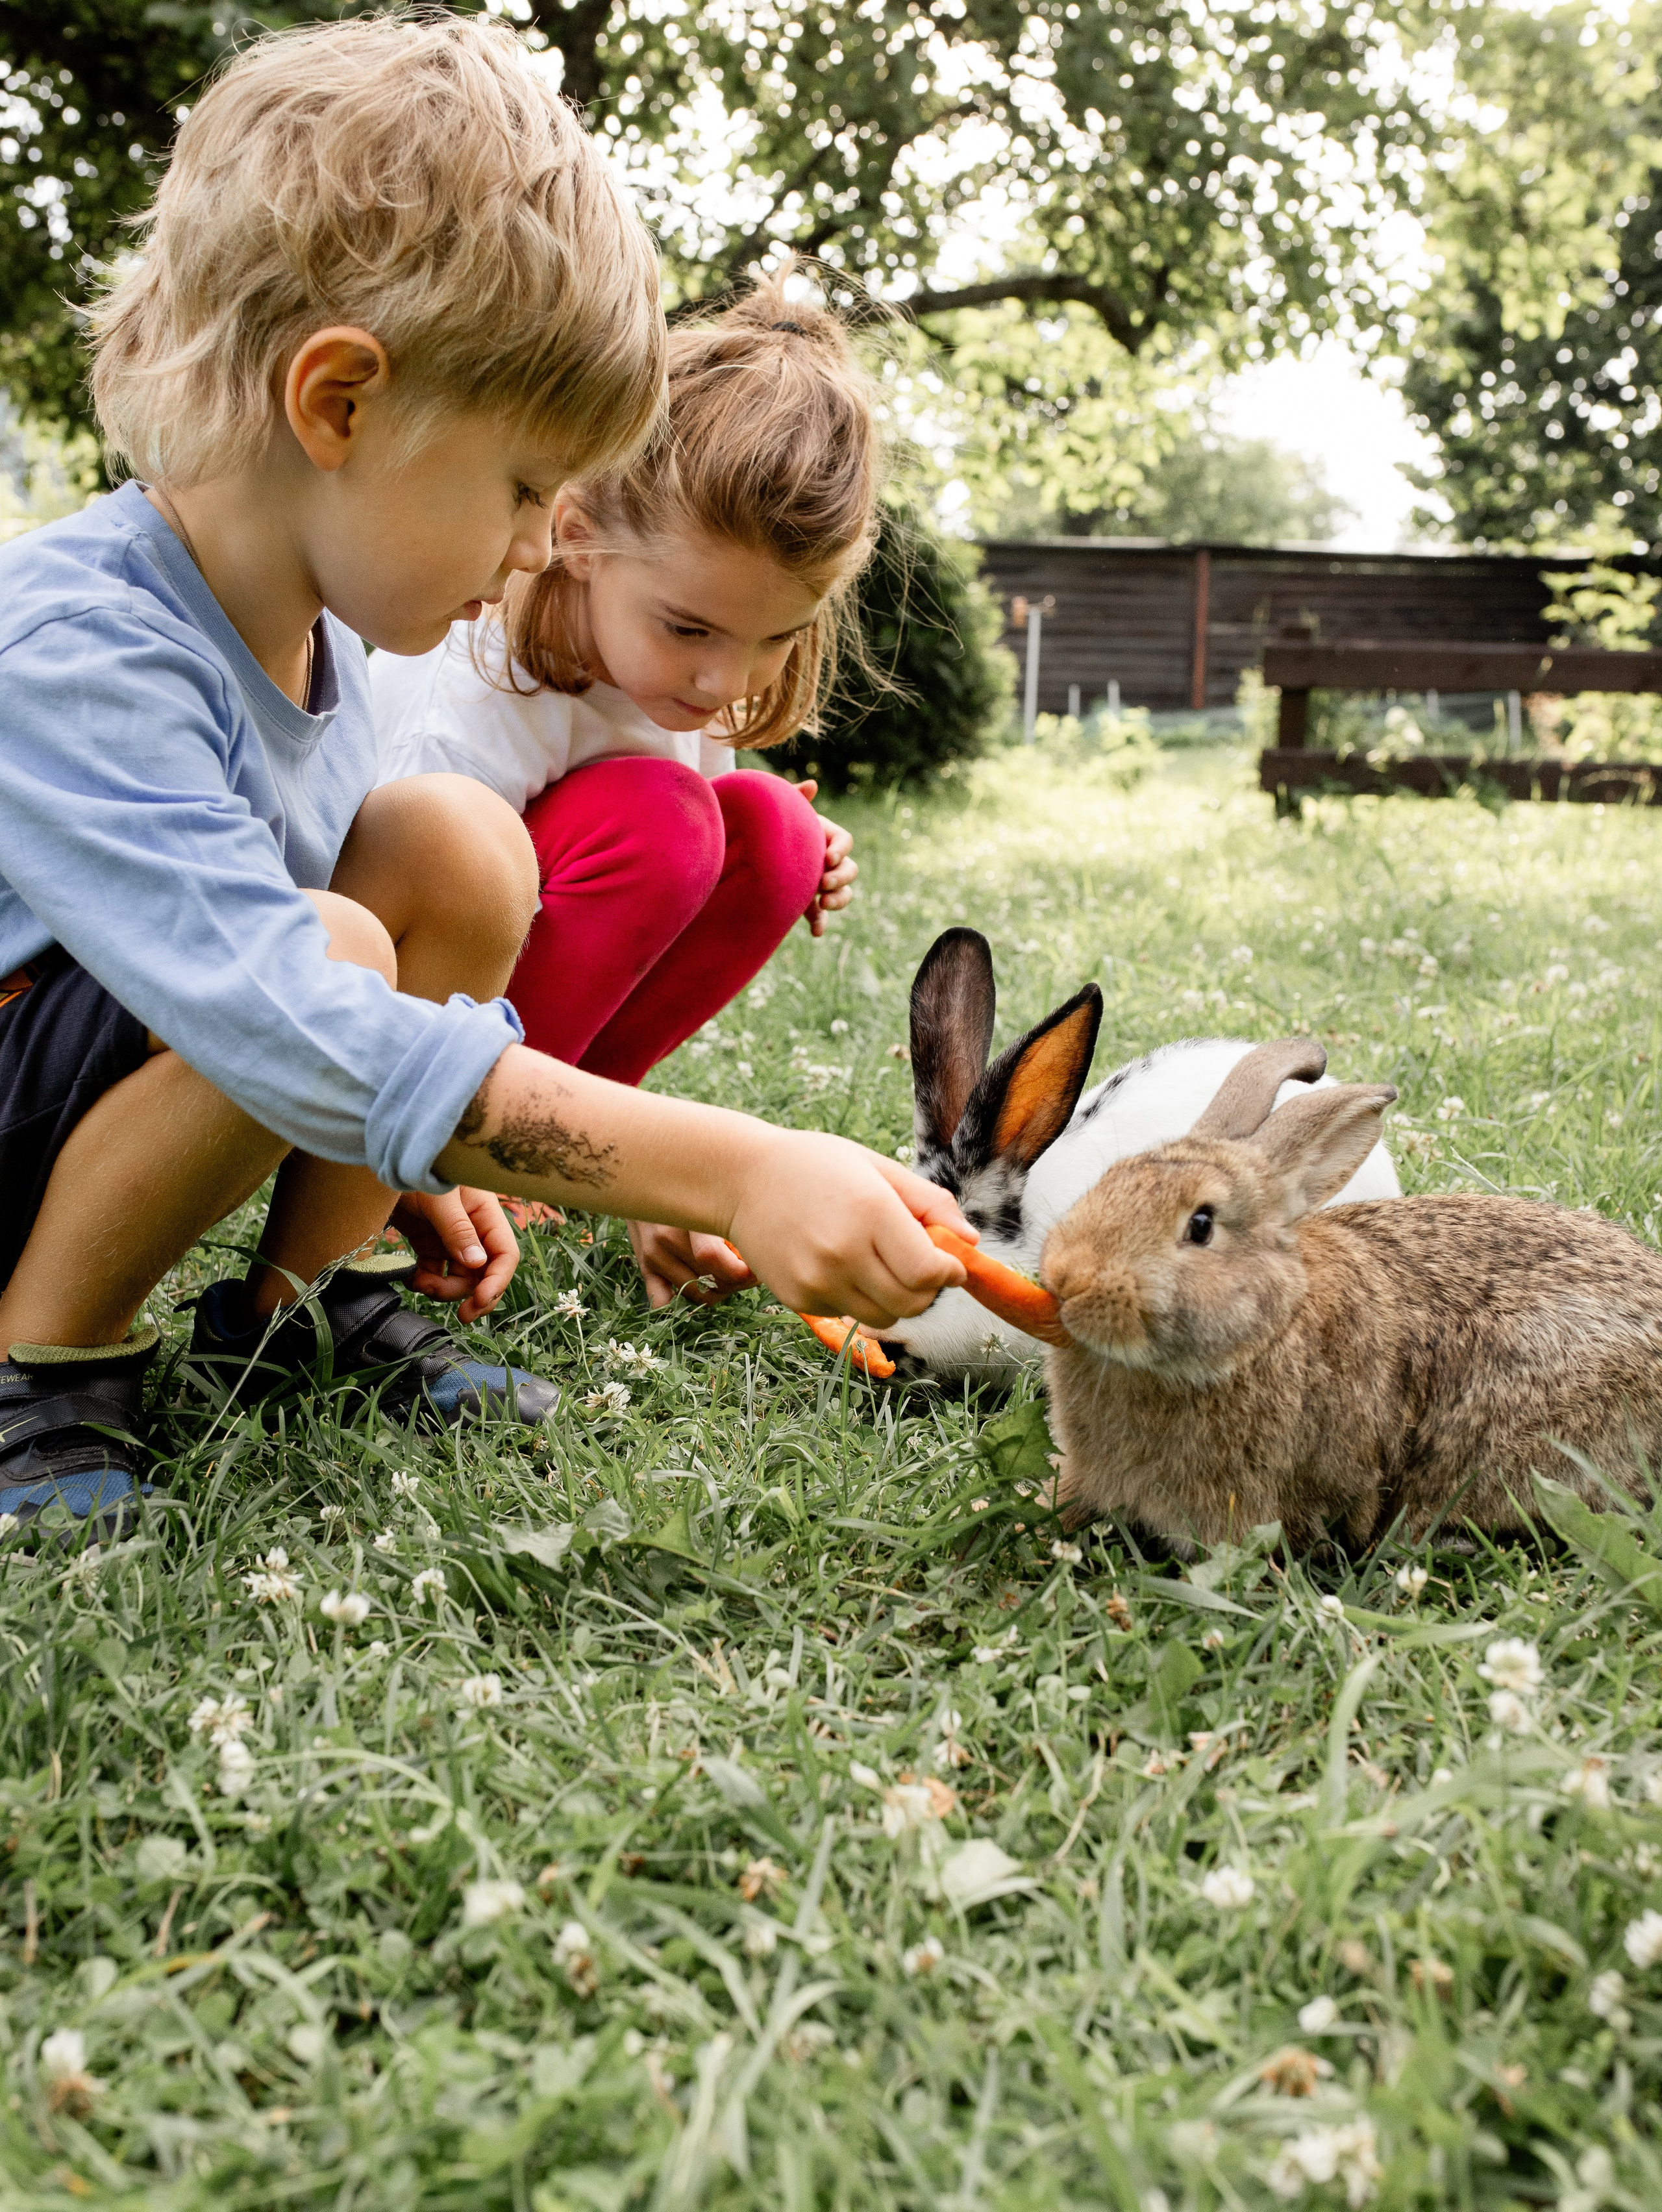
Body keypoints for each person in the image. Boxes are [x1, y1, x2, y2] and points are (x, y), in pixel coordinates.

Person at [0, 16, 971, 1535]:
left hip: (98, 1076)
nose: (540, 547)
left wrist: (407, 1159)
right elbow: (291, 1014)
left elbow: (330, 1016)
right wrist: (729, 1174)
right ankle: (40, 1365)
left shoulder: (316, 641)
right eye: (524, 489)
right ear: (340, 403)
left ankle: (305, 1304)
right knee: (332, 945)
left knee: (450, 847)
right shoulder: (79, 648)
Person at [371, 275, 873, 1308]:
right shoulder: (481, 670)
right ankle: (456, 1161)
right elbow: (388, 942)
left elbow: (677, 888)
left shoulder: (695, 692)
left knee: (771, 827)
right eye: (689, 629)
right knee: (664, 819)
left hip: (519, 1024)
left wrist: (654, 1175)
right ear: (580, 532)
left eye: (774, 638)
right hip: (392, 1018)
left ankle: (576, 1145)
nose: (724, 683)